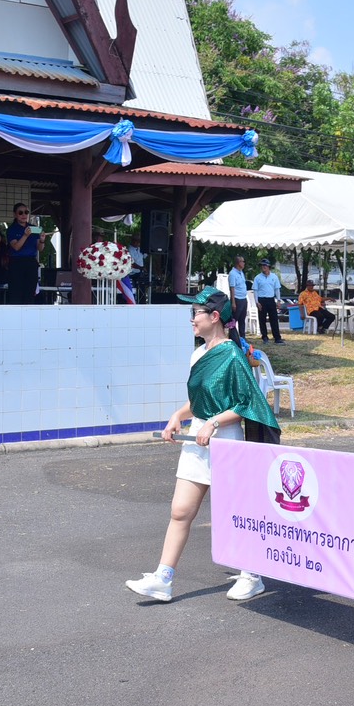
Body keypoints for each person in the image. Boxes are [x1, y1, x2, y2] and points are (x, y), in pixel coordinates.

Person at [124, 286, 280, 604]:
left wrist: (214, 423)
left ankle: (252, 575)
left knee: (237, 513)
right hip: (197, 438)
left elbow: (246, 404)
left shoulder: (233, 355)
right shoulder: (198, 354)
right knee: (180, 510)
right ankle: (163, 578)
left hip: (226, 442)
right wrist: (177, 416)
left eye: (196, 313)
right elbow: (199, 402)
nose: (192, 319)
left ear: (214, 316)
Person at [5, 204, 42, 305]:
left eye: (26, 212)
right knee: (16, 294)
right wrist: (25, 235)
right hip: (17, 263)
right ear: (15, 215)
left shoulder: (34, 228)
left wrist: (42, 240)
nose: (24, 215)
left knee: (30, 294)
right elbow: (16, 247)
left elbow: (40, 248)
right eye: (20, 213)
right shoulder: (12, 229)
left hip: (31, 262)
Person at [251, 257, 284, 345]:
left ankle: (277, 337)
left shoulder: (274, 277)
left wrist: (278, 300)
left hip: (271, 299)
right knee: (262, 319)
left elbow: (277, 289)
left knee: (274, 319)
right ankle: (265, 337)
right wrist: (257, 302)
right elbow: (255, 290)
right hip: (262, 299)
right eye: (262, 266)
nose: (263, 267)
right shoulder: (258, 278)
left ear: (268, 266)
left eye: (265, 265)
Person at [227, 255, 249, 331]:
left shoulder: (241, 272)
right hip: (237, 299)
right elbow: (232, 288)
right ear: (238, 263)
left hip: (243, 298)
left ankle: (242, 336)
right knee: (234, 320)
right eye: (243, 261)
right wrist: (233, 302)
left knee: (242, 319)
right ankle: (233, 336)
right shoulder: (232, 274)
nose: (244, 263)